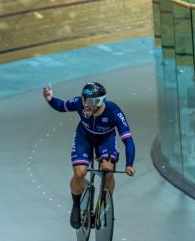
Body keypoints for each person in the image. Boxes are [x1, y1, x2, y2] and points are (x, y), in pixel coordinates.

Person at [43, 82, 135, 229]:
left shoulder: (114, 111)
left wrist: (129, 164)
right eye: (84, 99)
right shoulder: (80, 103)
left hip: (105, 139)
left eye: (90, 102)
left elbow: (128, 140)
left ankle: (105, 202)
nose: (86, 105)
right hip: (84, 136)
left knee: (108, 170)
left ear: (99, 102)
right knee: (80, 173)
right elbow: (62, 106)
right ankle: (76, 205)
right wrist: (50, 98)